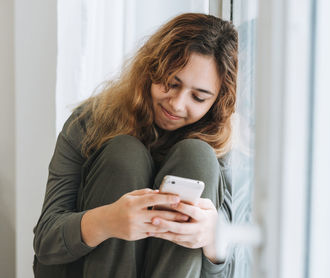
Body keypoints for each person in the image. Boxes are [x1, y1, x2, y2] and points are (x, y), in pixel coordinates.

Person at [33, 12, 238, 278]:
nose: (177, 104)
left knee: (197, 155)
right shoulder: (89, 122)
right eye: (170, 83)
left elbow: (229, 270)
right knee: (124, 154)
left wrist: (212, 240)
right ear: (151, 70)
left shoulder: (217, 147)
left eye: (198, 97)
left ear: (216, 103)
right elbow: (46, 243)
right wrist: (107, 221)